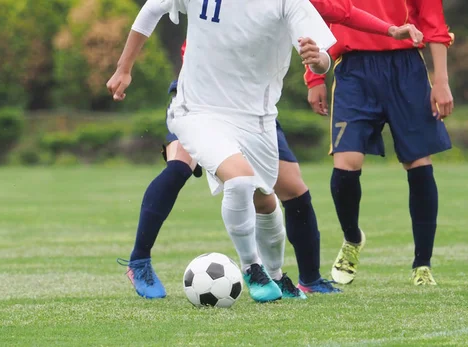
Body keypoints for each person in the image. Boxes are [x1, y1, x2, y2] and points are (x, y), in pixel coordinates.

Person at [109, 1, 424, 300]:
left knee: (287, 188)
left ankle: (306, 279)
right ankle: (140, 262)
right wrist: (124, 69)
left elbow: (343, 12)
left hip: (253, 111)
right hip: (200, 98)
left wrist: (388, 31)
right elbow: (152, 9)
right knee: (181, 164)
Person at [304, 0, 454, 286]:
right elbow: (321, 15)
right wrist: (314, 77)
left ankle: (422, 264)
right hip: (354, 70)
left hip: (407, 67)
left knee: (418, 161)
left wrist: (441, 81)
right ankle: (352, 238)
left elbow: (434, 24)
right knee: (346, 164)